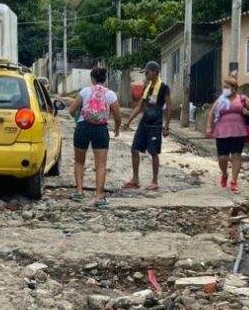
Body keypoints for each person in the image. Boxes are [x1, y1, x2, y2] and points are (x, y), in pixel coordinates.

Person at [67, 65, 121, 207]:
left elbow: (71, 109)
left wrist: (76, 118)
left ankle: (79, 192)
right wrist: (116, 128)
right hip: (100, 130)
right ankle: (99, 197)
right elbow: (117, 115)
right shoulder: (110, 94)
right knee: (101, 165)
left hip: (83, 127)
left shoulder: (85, 91)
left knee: (79, 161)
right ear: (104, 79)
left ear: (92, 78)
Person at [123, 61, 171, 191]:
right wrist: (129, 120)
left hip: (155, 123)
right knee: (134, 148)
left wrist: (166, 127)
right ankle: (135, 179)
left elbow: (168, 107)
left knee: (153, 152)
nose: (146, 74)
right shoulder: (147, 87)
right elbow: (140, 105)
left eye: (148, 72)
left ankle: (154, 181)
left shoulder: (163, 88)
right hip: (144, 121)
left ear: (155, 72)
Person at [205, 75, 249, 192]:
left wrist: (247, 112)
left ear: (234, 88)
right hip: (222, 132)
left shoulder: (242, 99)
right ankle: (224, 174)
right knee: (222, 158)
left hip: (239, 131)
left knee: (236, 156)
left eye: (226, 87)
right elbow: (211, 113)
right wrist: (208, 127)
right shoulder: (221, 100)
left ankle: (234, 181)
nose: (224, 89)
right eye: (224, 87)